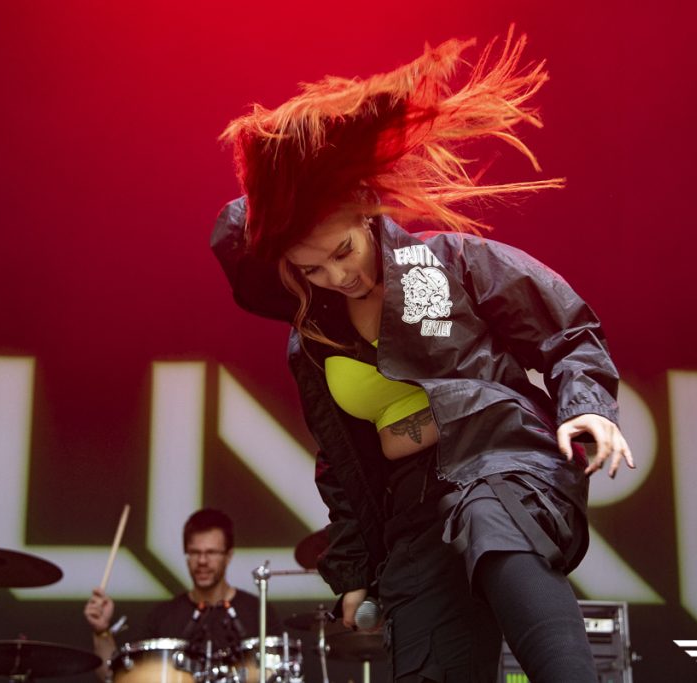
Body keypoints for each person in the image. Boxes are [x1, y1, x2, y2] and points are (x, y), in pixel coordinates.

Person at [212, 27, 635, 683]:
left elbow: (567, 329)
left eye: (343, 252)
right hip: (413, 511)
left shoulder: (451, 261)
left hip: (501, 458)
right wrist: (354, 571)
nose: (337, 276)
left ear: (367, 210)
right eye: (312, 268)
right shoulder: (312, 341)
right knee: (425, 648)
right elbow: (343, 469)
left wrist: (588, 406)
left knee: (493, 525)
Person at [83, 508, 276, 679]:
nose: (202, 561)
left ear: (229, 556)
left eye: (211, 552)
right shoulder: (162, 617)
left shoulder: (257, 613)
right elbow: (114, 677)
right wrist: (101, 632)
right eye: (194, 552)